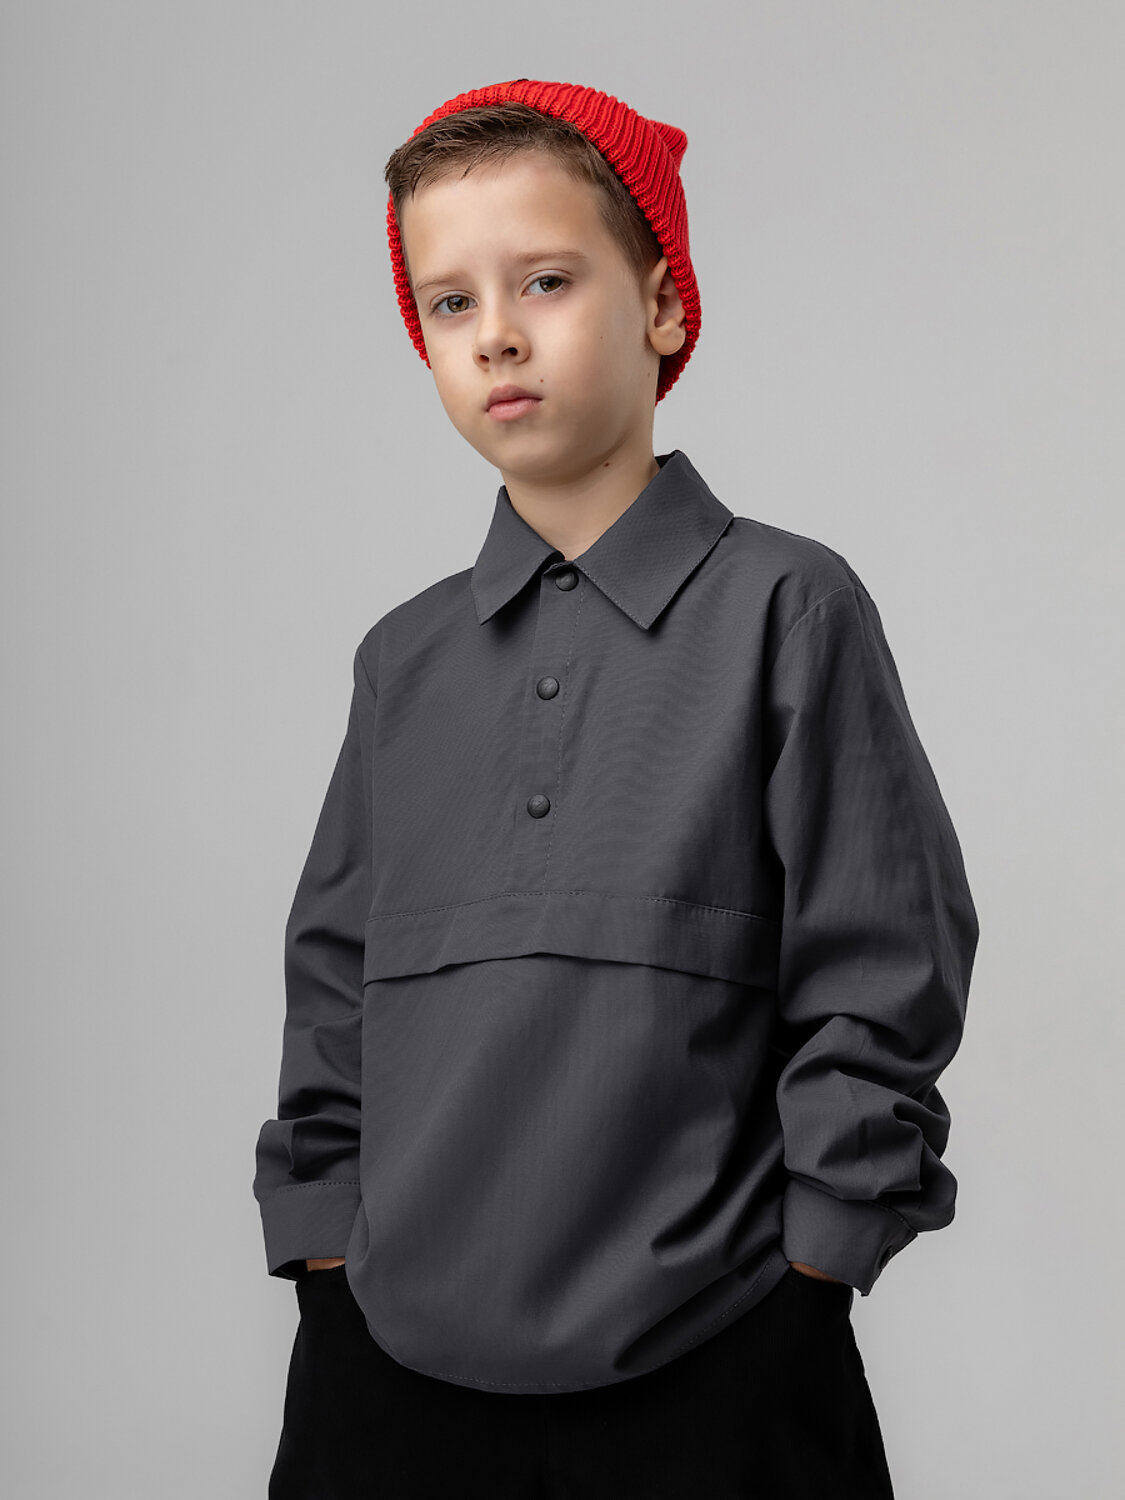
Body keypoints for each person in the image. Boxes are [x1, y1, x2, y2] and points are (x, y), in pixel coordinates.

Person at [253, 78, 980, 1499]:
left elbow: (884, 959)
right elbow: (333, 985)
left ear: (662, 306)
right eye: (449, 302)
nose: (496, 332)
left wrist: (813, 1275)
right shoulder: (403, 659)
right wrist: (323, 1259)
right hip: (387, 1373)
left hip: (717, 1362)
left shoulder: (790, 609)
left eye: (544, 280)